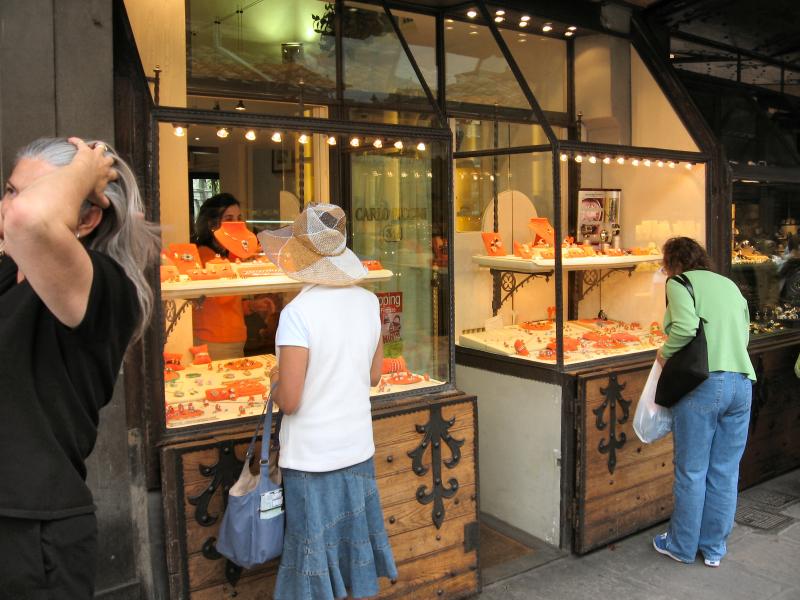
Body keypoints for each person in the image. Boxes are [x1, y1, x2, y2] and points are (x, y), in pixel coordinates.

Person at [0, 137, 159, 597]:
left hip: (31, 532)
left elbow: (29, 220)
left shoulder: (107, 288)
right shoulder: (10, 270)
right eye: (9, 189)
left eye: (26, 193)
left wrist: (88, 168)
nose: (9, 205)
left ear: (87, 218)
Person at [260, 203, 397, 599]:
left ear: (300, 256)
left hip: (311, 457)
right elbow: (374, 375)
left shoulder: (297, 313)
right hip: (356, 448)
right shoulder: (368, 302)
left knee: (313, 557)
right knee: (352, 551)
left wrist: (274, 380)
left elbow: (290, 401)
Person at [653, 237, 755, 568]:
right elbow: (744, 333)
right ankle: (713, 549)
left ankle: (681, 546)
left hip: (703, 383)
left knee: (692, 470)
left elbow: (685, 328)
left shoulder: (680, 283)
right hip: (741, 382)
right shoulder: (729, 285)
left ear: (672, 263)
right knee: (725, 471)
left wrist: (665, 353)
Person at [190, 193, 274, 359]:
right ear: (212, 224)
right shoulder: (204, 254)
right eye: (229, 219)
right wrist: (241, 259)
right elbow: (223, 296)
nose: (236, 224)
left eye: (239, 218)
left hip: (233, 340)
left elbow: (228, 305)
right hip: (213, 341)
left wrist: (252, 306)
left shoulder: (228, 255)